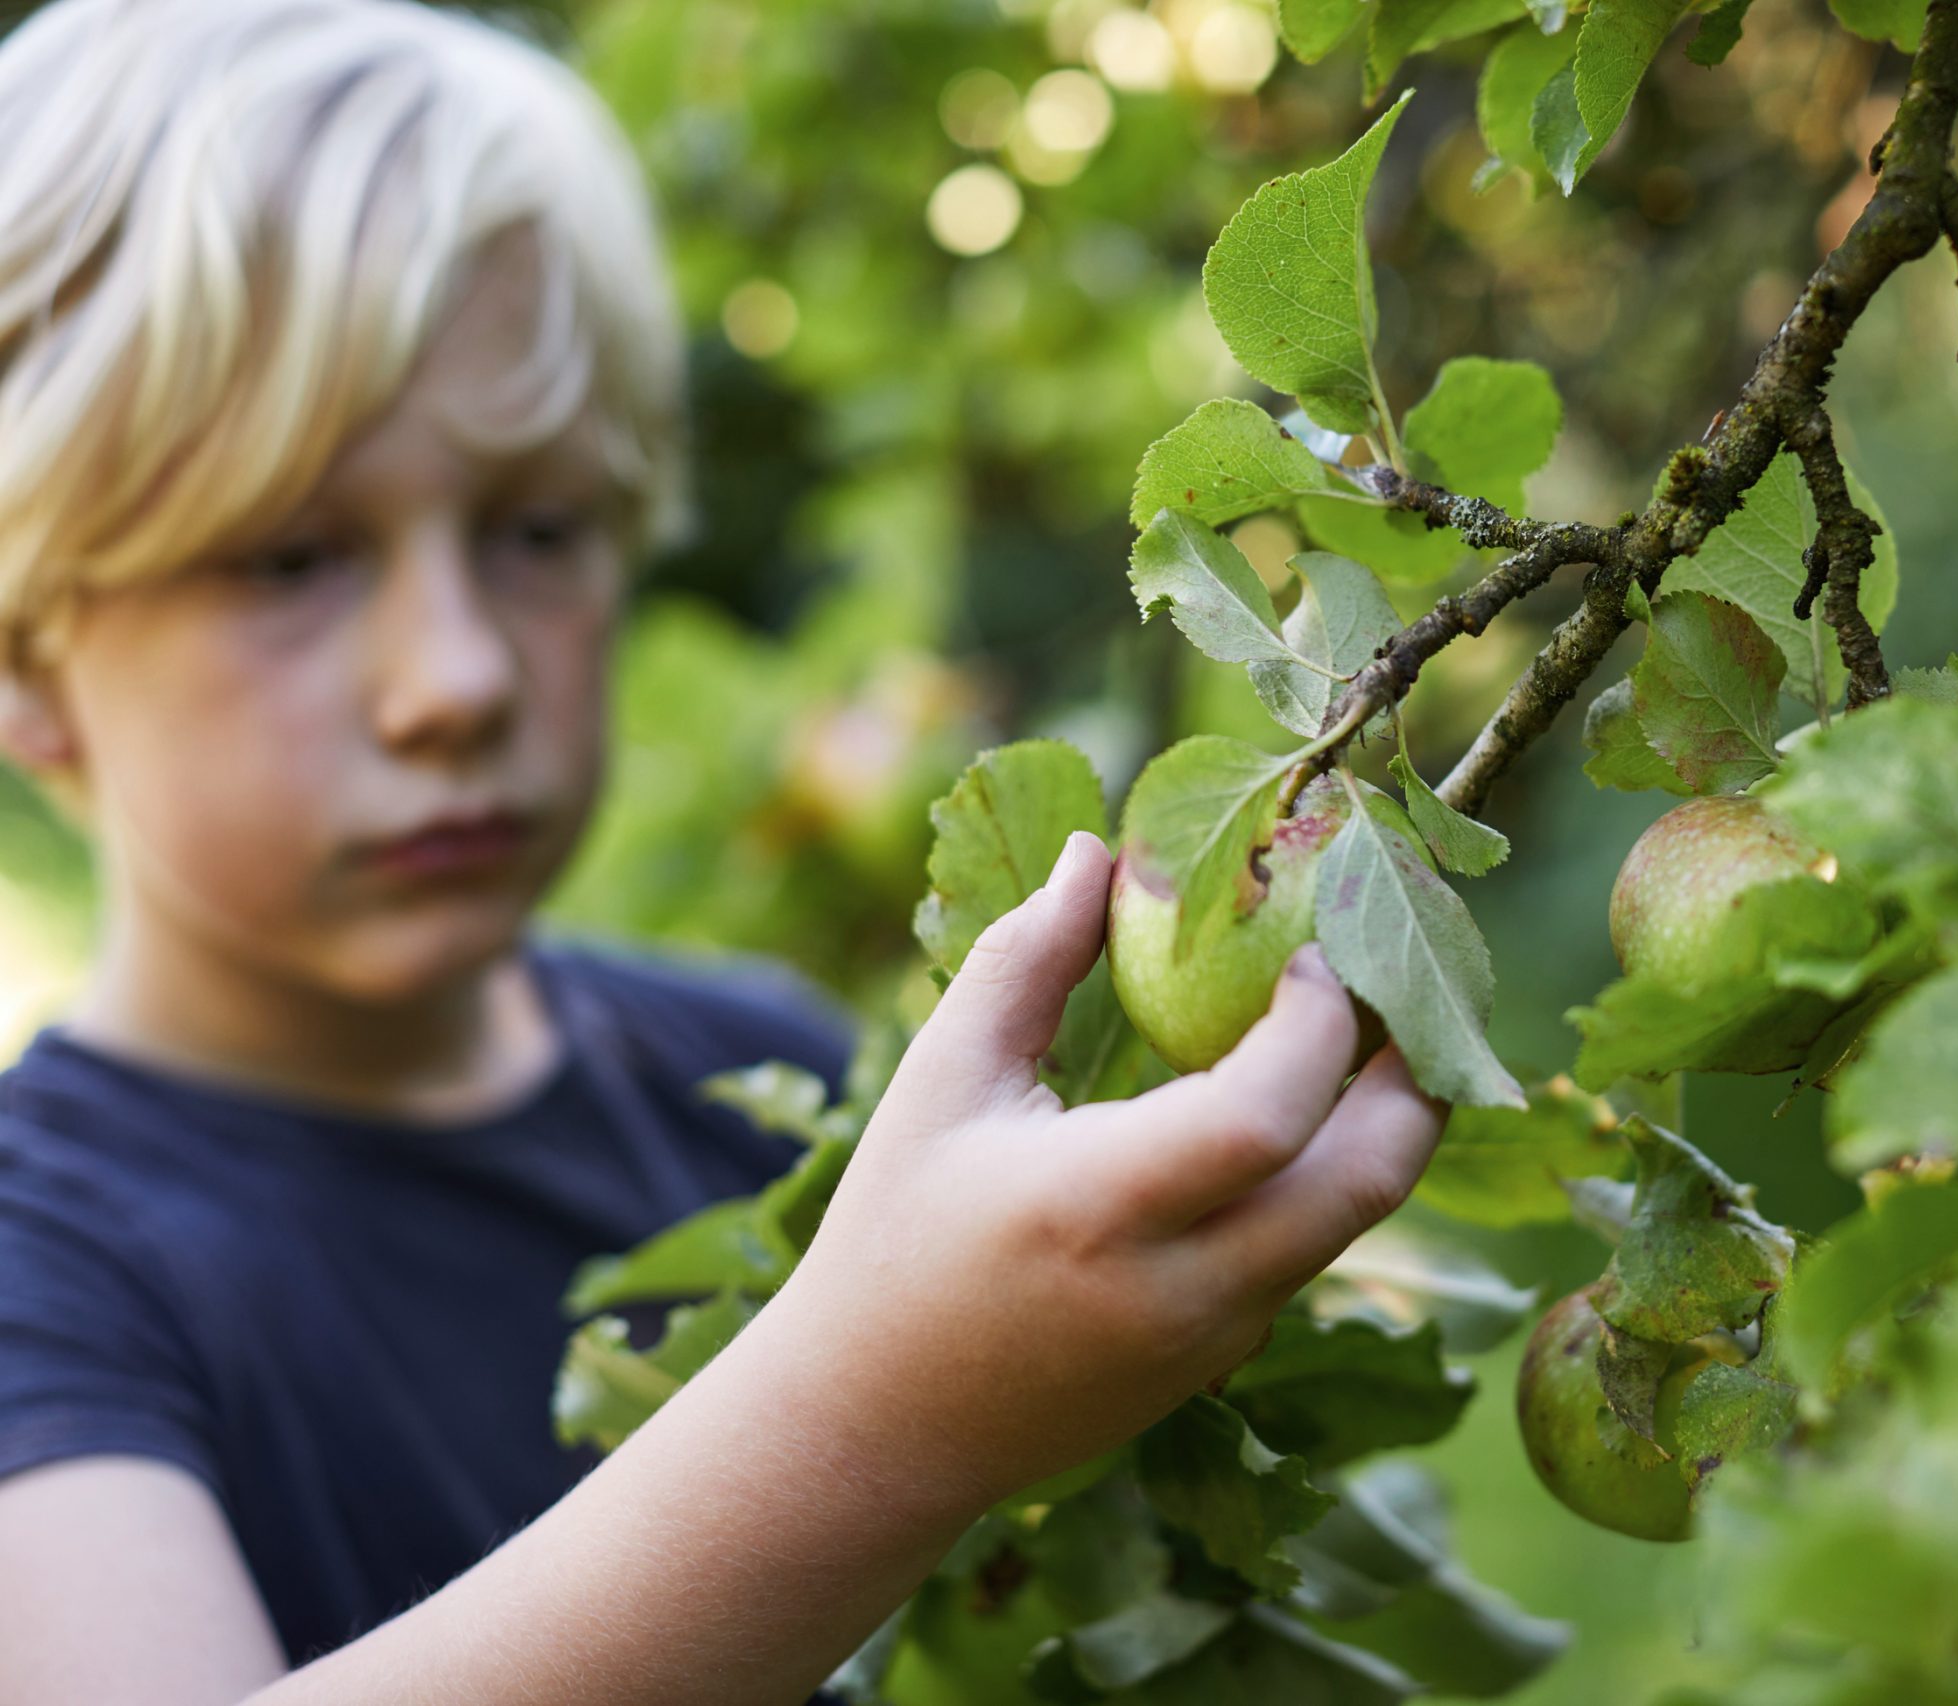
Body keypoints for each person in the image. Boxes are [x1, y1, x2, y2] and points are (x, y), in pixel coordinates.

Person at [0, 3, 1448, 1702]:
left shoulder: (753, 1078)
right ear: (33, 659)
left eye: (539, 528)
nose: (456, 676)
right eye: (290, 559)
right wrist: (882, 1415)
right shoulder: (45, 1272)